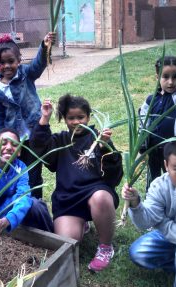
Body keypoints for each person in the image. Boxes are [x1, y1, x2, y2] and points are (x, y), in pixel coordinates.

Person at [30, 94, 123, 272]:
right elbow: (39, 148)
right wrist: (44, 118)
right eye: (71, 118)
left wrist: (106, 147)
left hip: (95, 193)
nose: (76, 122)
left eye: (80, 117)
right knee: (67, 244)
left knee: (101, 198)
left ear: (88, 117)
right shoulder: (60, 140)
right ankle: (82, 223)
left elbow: (114, 177)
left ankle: (105, 247)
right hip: (68, 198)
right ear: (65, 119)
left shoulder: (98, 138)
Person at [122, 138, 176, 287]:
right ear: (166, 166)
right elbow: (145, 222)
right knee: (139, 252)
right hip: (172, 237)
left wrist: (164, 224)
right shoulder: (160, 186)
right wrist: (136, 203)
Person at [0, 32, 56, 200]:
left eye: (11, 61)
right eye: (1, 63)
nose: (7, 66)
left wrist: (44, 46)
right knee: (16, 171)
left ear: (19, 60)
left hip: (34, 134)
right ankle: (20, 203)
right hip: (14, 139)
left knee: (33, 172)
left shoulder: (26, 74)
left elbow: (38, 65)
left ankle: (36, 203)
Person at [0, 128, 54, 245]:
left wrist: (8, 220)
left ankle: (53, 241)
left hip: (9, 213)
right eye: (4, 143)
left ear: (19, 152)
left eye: (14, 145)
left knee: (36, 205)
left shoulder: (21, 168)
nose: (9, 147)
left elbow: (23, 196)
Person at [139, 23, 176, 190]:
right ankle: (152, 209)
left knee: (173, 183)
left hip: (174, 150)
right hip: (154, 150)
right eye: (165, 76)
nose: (171, 81)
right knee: (154, 183)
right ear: (157, 77)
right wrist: (142, 145)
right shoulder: (150, 100)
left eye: (175, 77)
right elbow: (143, 123)